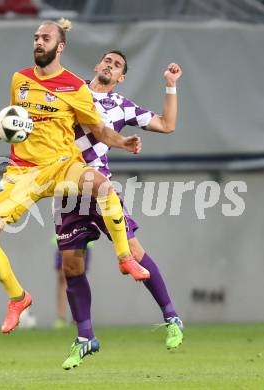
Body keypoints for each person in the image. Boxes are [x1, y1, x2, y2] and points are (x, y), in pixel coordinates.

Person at [0, 19, 148, 335]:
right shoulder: (20, 80)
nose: (39, 41)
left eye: (46, 37)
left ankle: (124, 258)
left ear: (60, 46)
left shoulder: (75, 87)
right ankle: (18, 298)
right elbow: (9, 124)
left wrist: (123, 141)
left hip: (62, 166)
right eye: (36, 37)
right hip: (23, 172)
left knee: (103, 186)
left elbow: (99, 130)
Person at [55, 51, 183, 370]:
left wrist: (170, 86)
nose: (111, 65)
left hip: (100, 188)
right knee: (71, 267)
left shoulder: (123, 106)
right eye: (107, 61)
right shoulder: (72, 90)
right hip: (67, 189)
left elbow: (167, 125)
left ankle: (172, 317)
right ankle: (85, 338)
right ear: (97, 65)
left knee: (135, 251)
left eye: (118, 65)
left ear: (121, 77)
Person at [52, 237, 93, 329]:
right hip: (63, 238)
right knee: (62, 277)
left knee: (79, 277)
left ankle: (79, 318)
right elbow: (58, 221)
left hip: (82, 239)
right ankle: (61, 318)